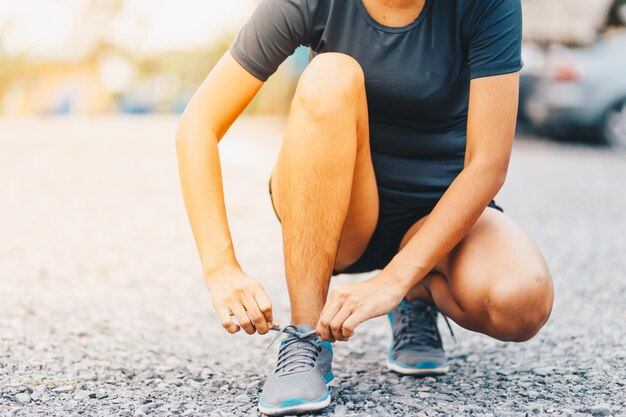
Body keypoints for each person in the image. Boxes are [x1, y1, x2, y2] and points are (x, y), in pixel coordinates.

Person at [176, 0, 555, 415]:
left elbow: (487, 166)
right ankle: (306, 339)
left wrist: (394, 280)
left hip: (439, 212)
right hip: (343, 213)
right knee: (330, 74)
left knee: (523, 300)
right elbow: (198, 125)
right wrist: (220, 269)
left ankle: (417, 291)